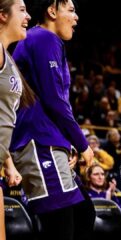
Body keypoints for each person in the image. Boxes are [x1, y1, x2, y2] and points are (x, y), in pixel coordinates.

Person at [9, 1, 94, 239]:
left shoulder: (46, 41)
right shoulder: (42, 38)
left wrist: (67, 143)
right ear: (52, 11)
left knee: (83, 213)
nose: (76, 17)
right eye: (71, 10)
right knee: (61, 226)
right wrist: (83, 144)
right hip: (38, 140)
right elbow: (55, 100)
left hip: (48, 140)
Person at [0, 0, 34, 238]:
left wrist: (8, 163)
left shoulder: (7, 56)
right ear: (2, 15)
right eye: (21, 10)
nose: (28, 16)